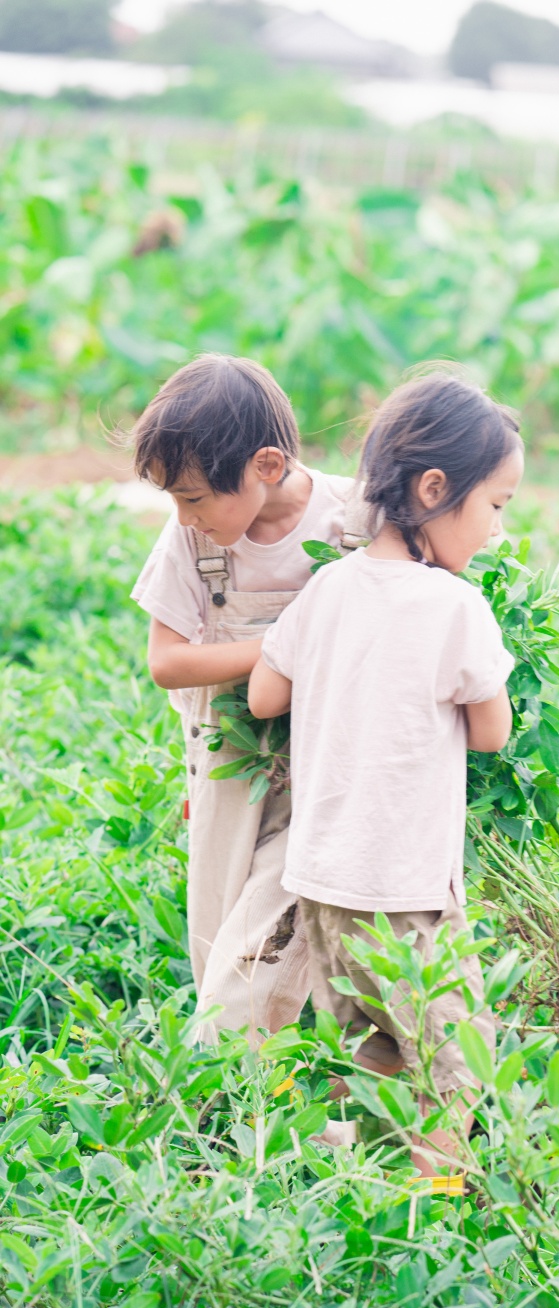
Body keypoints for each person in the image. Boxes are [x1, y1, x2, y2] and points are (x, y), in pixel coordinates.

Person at [247, 371, 520, 1179]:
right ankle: (427, 1216)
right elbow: (492, 734)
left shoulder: (327, 587)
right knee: (455, 1065)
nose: (499, 531)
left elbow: (265, 694)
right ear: (435, 489)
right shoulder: (455, 606)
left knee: (374, 1050)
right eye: (496, 506)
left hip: (324, 887)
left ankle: (362, 1191)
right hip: (406, 897)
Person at [131, 353, 366, 1043]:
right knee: (216, 950)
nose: (184, 516)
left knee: (255, 962)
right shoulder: (193, 541)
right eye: (173, 499)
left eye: (196, 497)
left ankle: (224, 1103)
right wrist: (290, 649)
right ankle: (272, 1120)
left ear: (266, 466)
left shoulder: (356, 517)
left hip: (327, 774)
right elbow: (168, 661)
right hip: (230, 770)